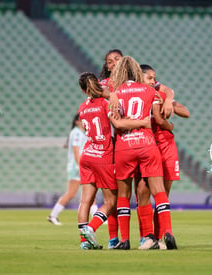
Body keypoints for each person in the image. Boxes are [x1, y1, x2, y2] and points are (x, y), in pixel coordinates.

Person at [76, 72, 151, 249]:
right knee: (112, 201)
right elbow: (118, 123)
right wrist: (141, 122)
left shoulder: (81, 108)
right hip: (103, 155)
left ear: (82, 90)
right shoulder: (106, 103)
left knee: (85, 200)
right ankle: (91, 228)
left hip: (87, 154)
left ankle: (84, 242)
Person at [110, 56, 177, 250]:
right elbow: (158, 116)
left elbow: (117, 123)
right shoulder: (150, 91)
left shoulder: (115, 94)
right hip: (148, 145)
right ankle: (167, 232)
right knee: (159, 191)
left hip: (124, 146)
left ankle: (124, 240)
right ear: (138, 73)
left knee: (124, 194)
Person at [135, 64, 189, 249]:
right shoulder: (134, 96)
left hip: (165, 145)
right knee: (142, 191)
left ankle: (159, 237)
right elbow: (158, 120)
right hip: (145, 146)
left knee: (162, 194)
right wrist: (169, 124)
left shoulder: (159, 93)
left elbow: (185, 112)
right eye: (149, 78)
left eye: (153, 78)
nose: (153, 81)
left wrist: (170, 104)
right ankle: (147, 236)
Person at [99, 49, 174, 119]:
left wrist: (167, 101)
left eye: (117, 59)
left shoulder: (136, 78)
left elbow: (167, 90)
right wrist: (111, 95)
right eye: (110, 62)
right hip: (117, 122)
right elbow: (99, 90)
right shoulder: (106, 83)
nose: (114, 63)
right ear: (108, 67)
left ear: (124, 62)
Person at [47, 114, 87, 225]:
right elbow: (76, 151)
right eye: (82, 120)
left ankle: (99, 218)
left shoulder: (79, 133)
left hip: (78, 167)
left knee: (88, 192)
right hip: (77, 167)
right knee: (71, 193)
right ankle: (53, 215)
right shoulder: (77, 133)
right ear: (77, 122)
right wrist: (81, 166)